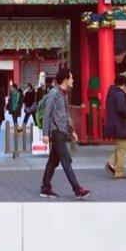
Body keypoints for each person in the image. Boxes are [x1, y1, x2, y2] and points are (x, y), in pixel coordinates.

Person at [39, 70, 90, 199]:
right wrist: (45, 133)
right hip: (56, 131)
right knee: (66, 160)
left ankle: (45, 188)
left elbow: (66, 115)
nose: (73, 80)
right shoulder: (54, 94)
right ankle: (77, 189)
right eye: (71, 78)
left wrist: (72, 131)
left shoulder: (64, 94)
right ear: (65, 79)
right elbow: (47, 114)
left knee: (53, 161)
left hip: (62, 131)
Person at [103, 73, 126, 181]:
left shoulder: (111, 93)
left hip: (114, 123)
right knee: (123, 148)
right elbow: (121, 109)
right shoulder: (120, 94)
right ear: (124, 84)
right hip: (120, 124)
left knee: (122, 147)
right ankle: (119, 172)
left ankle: (111, 164)